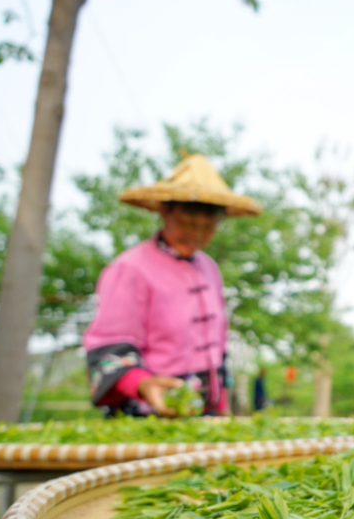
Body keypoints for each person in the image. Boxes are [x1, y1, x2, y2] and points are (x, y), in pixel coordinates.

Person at [83, 154, 262, 417]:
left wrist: (220, 402)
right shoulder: (131, 267)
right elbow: (111, 345)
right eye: (188, 223)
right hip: (148, 412)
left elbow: (217, 348)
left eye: (208, 226)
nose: (197, 234)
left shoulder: (209, 268)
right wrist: (143, 384)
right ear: (165, 211)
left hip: (203, 413)